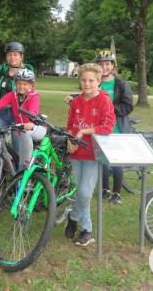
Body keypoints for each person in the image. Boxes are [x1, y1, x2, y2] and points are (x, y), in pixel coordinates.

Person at [66, 50, 133, 205]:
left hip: (115, 129)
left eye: (107, 63)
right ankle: (104, 188)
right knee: (101, 160)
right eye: (101, 64)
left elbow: (128, 105)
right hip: (96, 130)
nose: (104, 66)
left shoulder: (121, 84)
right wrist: (74, 97)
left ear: (113, 66)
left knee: (116, 162)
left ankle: (116, 192)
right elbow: (87, 95)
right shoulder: (94, 80)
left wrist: (107, 108)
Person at [63, 63, 116, 247]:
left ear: (98, 81)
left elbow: (107, 127)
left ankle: (74, 216)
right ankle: (86, 230)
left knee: (85, 193)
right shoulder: (76, 101)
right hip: (76, 153)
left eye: (91, 80)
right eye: (83, 80)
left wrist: (84, 131)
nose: (86, 84)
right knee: (77, 189)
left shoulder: (104, 100)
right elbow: (70, 123)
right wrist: (70, 138)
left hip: (93, 154)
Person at [0, 69, 46, 172]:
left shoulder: (34, 96)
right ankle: (14, 178)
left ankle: (24, 177)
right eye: (19, 83)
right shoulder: (13, 95)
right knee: (15, 153)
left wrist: (30, 123)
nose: (21, 86)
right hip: (18, 126)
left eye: (25, 84)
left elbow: (33, 111)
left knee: (23, 158)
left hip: (31, 127)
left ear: (31, 85)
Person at [0, 42, 35, 141]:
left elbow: (30, 94)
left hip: (19, 114)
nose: (12, 57)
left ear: (21, 56)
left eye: (15, 55)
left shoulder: (26, 72)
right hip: (2, 112)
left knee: (18, 144)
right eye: (9, 54)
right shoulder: (2, 70)